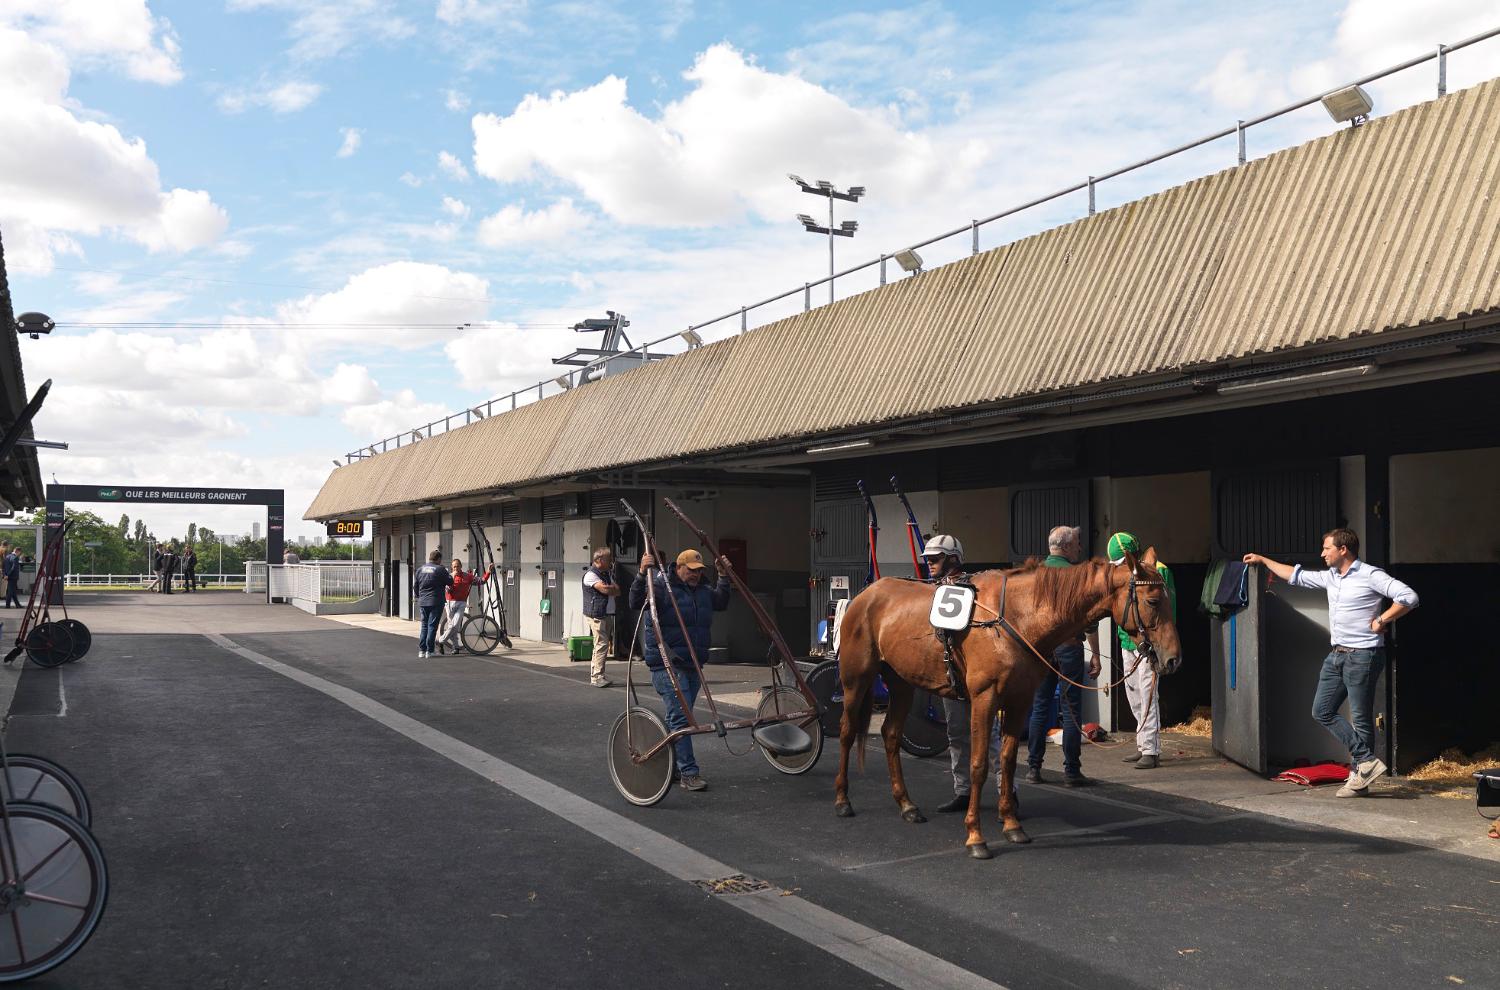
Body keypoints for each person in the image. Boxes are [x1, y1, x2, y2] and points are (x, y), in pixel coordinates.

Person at [1244, 528, 1418, 798]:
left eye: (1327, 548)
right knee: (1321, 710)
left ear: (1343, 550)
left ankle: (1360, 779)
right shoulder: (1331, 577)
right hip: (1336, 653)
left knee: (1360, 719)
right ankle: (1366, 762)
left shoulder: (1370, 575)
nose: (1322, 553)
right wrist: (1264, 560)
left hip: (1363, 655)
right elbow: (1295, 575)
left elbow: (1409, 597)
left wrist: (1382, 620)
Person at [629, 548, 732, 792]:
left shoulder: (704, 592)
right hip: (667, 663)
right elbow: (635, 602)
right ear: (678, 567)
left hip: (693, 663)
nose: (696, 575)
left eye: (699, 571)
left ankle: (671, 766)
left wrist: (723, 576)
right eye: (691, 570)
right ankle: (688, 772)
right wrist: (642, 573)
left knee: (679, 718)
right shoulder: (662, 588)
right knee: (681, 718)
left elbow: (722, 601)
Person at [918, 534, 1004, 813]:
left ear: (953, 559)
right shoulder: (931, 589)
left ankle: (1007, 791)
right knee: (956, 734)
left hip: (977, 677)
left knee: (990, 737)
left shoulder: (973, 588)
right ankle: (962, 791)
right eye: (928, 559)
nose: (929, 564)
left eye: (935, 559)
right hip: (950, 678)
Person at [1025, 525, 1102, 787]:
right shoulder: (1078, 575)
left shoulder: (1036, 574)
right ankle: (1071, 771)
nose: (1080, 547)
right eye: (1077, 543)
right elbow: (1088, 619)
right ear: (1067, 546)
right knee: (1070, 709)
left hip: (1041, 648)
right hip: (1069, 646)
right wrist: (1096, 654)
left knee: (1040, 706)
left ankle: (1033, 768)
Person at [1108, 531, 1176, 770]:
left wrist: (1159, 642)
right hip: (1128, 640)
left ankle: (1151, 749)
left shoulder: (1159, 571)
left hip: (1149, 642)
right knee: (1133, 694)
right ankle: (1142, 744)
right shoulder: (1126, 572)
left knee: (1148, 695)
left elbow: (1166, 611)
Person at [581, 548, 620, 688]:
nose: (611, 561)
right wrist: (610, 588)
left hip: (606, 613)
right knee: (601, 645)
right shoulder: (591, 575)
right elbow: (605, 590)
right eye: (608, 559)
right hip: (597, 614)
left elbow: (617, 590)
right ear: (599, 560)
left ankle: (598, 675)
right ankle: (597, 677)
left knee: (601, 645)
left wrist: (610, 588)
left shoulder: (606, 574)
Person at [413, 549, 453, 659]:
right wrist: (448, 574)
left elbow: (415, 586)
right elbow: (450, 582)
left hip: (423, 601)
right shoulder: (440, 569)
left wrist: (418, 597)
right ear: (439, 559)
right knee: (432, 626)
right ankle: (430, 651)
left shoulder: (420, 569)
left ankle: (422, 650)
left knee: (424, 626)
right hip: (436, 601)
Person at [436, 557, 477, 655]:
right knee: (452, 626)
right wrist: (452, 579)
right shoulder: (449, 577)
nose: (456, 569)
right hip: (450, 602)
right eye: (454, 567)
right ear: (451, 568)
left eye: (457, 566)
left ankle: (440, 641)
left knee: (455, 625)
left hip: (461, 603)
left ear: (461, 567)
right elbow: (448, 590)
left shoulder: (467, 576)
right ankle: (456, 647)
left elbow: (480, 581)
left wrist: (488, 572)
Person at [2, 543, 19, 608]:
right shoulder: (15, 558)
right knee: (10, 592)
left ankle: (18, 604)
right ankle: (7, 605)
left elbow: (3, 567)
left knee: (13, 591)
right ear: (18, 551)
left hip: (8, 576)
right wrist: (8, 575)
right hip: (13, 577)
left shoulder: (7, 557)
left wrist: (5, 575)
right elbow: (13, 568)